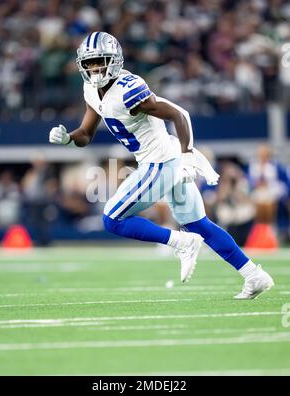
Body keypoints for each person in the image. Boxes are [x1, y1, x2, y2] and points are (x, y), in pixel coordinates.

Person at [49, 32, 274, 299]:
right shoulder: (91, 89)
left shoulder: (128, 90)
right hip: (161, 160)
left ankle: (180, 242)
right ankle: (254, 275)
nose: (95, 68)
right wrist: (68, 138)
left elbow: (180, 114)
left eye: (100, 61)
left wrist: (188, 153)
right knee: (200, 224)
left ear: (115, 60)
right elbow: (86, 134)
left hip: (161, 162)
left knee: (112, 219)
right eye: (89, 63)